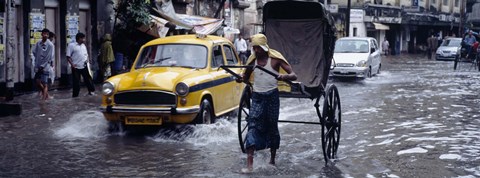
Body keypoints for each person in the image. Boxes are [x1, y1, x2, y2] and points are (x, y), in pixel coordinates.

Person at [236, 34, 297, 173]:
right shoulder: (252, 61)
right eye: (254, 48)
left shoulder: (275, 60)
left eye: (258, 48)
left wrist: (284, 76)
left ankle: (272, 160)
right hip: (257, 96)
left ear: (264, 48)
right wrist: (240, 79)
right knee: (252, 125)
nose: (256, 51)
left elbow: (294, 75)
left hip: (272, 97)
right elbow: (246, 78)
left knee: (272, 126)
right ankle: (250, 166)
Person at [67, 32, 96, 97]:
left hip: (84, 65)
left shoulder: (83, 46)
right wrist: (72, 65)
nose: (84, 40)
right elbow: (68, 57)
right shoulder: (71, 45)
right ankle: (75, 96)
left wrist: (88, 62)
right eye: (82, 38)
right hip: (76, 67)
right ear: (79, 38)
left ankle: (91, 91)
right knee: (76, 82)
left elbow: (86, 55)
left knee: (88, 79)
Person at [32, 28, 54, 100]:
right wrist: (37, 63)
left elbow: (49, 57)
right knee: (37, 82)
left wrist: (43, 65)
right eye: (44, 34)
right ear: (41, 34)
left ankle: (43, 101)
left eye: (47, 34)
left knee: (45, 84)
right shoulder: (38, 43)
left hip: (45, 67)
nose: (45, 35)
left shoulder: (50, 45)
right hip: (38, 66)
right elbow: (34, 52)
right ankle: (47, 95)